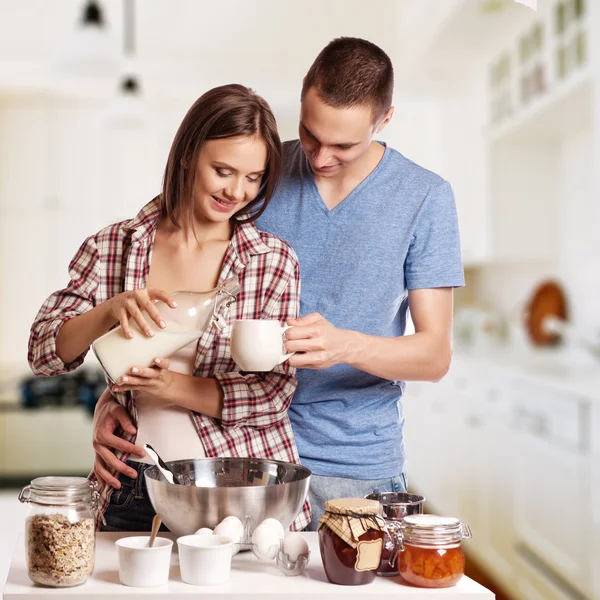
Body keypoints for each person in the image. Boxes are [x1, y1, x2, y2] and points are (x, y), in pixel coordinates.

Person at [92, 37, 464, 530]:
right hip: (239, 455)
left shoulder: (425, 197)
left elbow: (434, 355)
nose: (320, 157)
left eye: (343, 146)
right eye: (310, 135)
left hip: (352, 465)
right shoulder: (257, 172)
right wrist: (115, 399)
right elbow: (162, 266)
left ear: (385, 120)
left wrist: (344, 345)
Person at [28, 84, 310, 531]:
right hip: (135, 482)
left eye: (253, 177)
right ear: (187, 154)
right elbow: (44, 352)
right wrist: (108, 311)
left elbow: (273, 394)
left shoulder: (271, 261)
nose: (237, 190)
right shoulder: (115, 247)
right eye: (223, 170)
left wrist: (169, 386)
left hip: (239, 486)